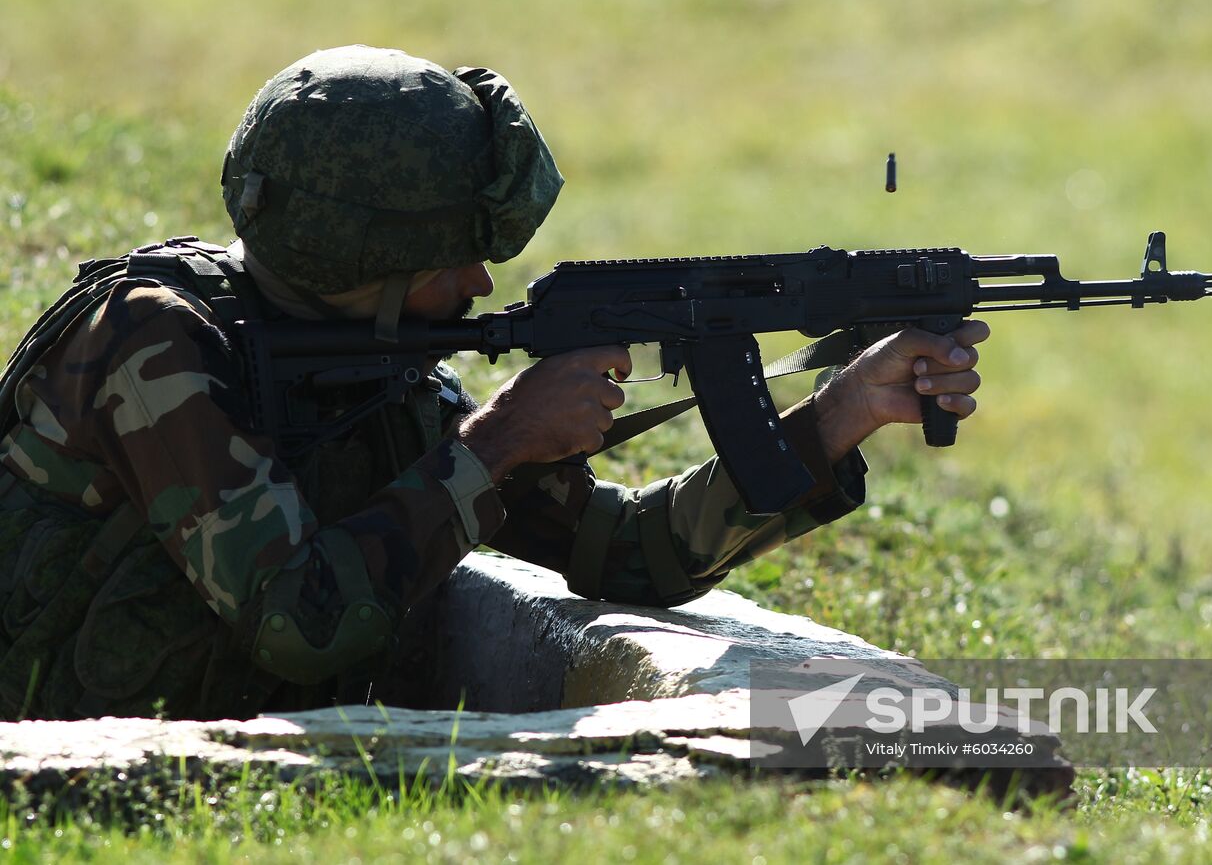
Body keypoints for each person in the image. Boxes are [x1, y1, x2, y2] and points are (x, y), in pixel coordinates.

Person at [0, 46, 988, 721]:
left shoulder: (372, 364)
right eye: (453, 259)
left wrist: (843, 411)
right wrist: (498, 440)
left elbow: (628, 555)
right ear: (369, 261)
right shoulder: (155, 345)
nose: (480, 284)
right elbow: (297, 620)